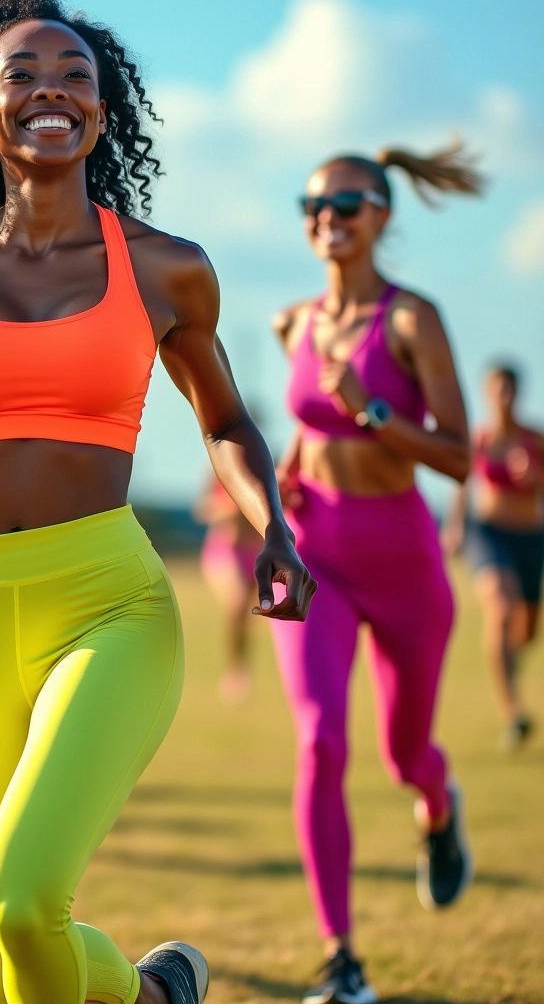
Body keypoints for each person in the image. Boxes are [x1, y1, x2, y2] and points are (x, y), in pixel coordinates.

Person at [0, 0, 316, 1004]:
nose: (50, 92)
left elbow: (224, 421)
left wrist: (272, 521)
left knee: (22, 899)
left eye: (75, 78)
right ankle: (150, 996)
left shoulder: (166, 269)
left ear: (102, 111)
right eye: (21, 76)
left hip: (108, 603)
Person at [271, 141, 482, 1003]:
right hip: (316, 552)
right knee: (320, 739)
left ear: (382, 215)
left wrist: (377, 413)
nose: (327, 219)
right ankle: (340, 955)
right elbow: (305, 429)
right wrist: (284, 473)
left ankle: (438, 806)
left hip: (402, 560)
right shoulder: (293, 321)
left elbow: (462, 458)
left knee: (404, 755)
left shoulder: (410, 321)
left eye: (346, 204)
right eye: (312, 206)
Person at [445, 363, 543, 750]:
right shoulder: (480, 439)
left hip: (531, 536)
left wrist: (535, 477)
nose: (504, 398)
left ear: (519, 393)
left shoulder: (534, 438)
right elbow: (462, 484)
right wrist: (455, 526)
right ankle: (513, 713)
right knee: (500, 609)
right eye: (497, 390)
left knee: (527, 630)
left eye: (510, 390)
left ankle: (510, 659)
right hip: (489, 534)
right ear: (488, 393)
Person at [194, 473, 264, 703]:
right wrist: (229, 507)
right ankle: (236, 672)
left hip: (258, 552)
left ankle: (241, 667)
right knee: (238, 604)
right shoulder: (217, 467)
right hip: (226, 550)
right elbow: (202, 510)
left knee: (252, 618)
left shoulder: (268, 462)